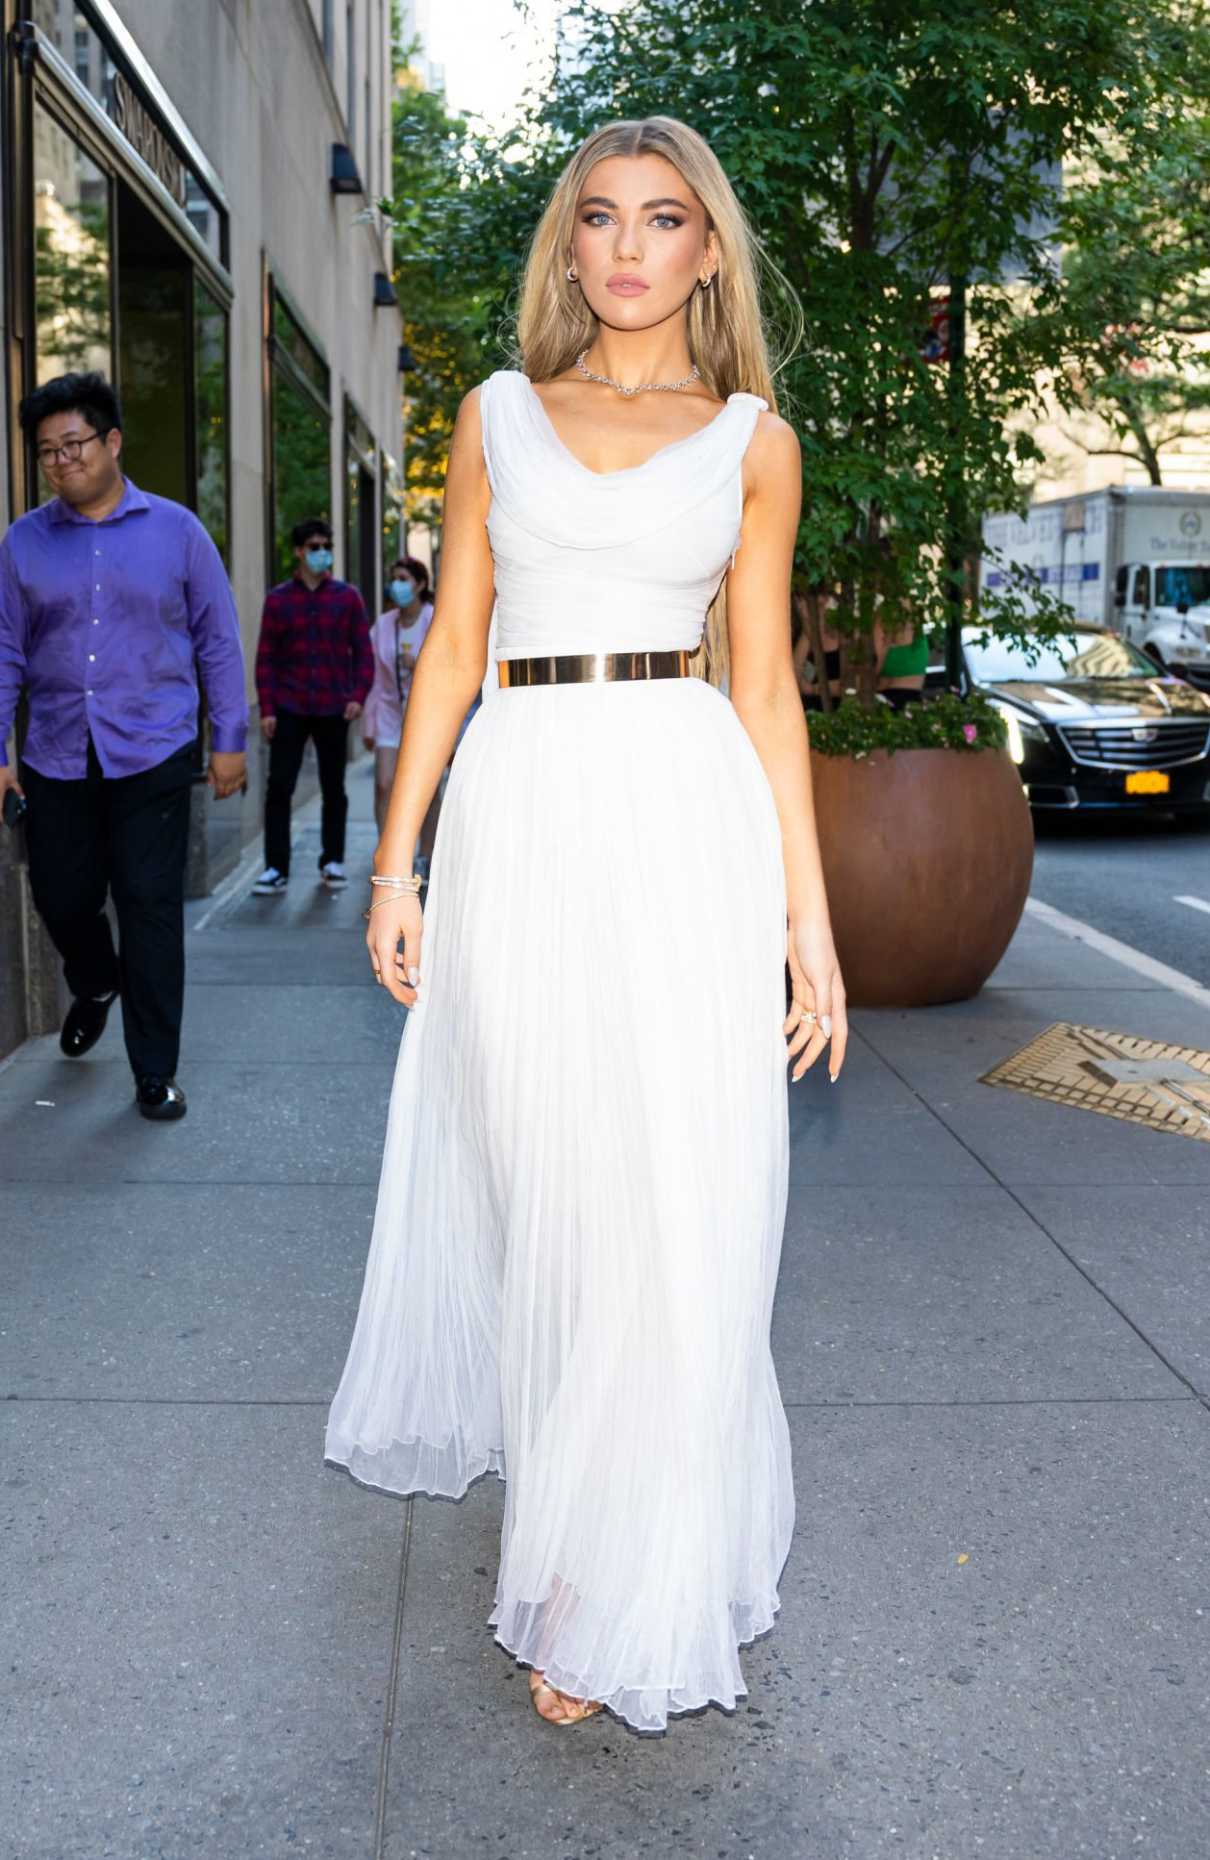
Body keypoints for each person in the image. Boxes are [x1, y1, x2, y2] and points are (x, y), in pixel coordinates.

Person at [324, 116, 848, 1733]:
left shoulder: (753, 441)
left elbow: (765, 690)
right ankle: (571, 1528)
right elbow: (452, 650)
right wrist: (397, 861)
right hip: (528, 810)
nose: (629, 246)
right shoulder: (493, 417)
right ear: (572, 246)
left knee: (676, 1207)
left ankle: (610, 1579)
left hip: (686, 817)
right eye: (603, 218)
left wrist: (810, 931)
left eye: (666, 219)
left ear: (708, 250)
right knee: (551, 1190)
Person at [0, 372, 246, 1120]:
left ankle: (154, 1072)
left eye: (74, 444)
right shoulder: (22, 543)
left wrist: (228, 737)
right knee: (62, 895)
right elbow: (7, 649)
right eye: (47, 452)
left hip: (154, 750)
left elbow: (218, 639)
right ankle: (96, 978)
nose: (62, 461)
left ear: (111, 442)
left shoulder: (176, 532)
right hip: (56, 754)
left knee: (148, 905)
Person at [252, 518, 372, 894]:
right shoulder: (278, 600)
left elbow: (363, 653)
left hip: (333, 707)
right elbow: (265, 658)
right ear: (299, 551)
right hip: (289, 705)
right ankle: (275, 867)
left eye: (326, 546)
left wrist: (357, 695)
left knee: (333, 787)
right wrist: (268, 708)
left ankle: (333, 860)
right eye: (315, 546)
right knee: (279, 788)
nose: (323, 553)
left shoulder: (347, 597)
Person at [362, 556, 436, 839]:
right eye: (394, 579)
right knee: (384, 784)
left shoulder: (434, 619)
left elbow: (448, 669)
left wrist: (419, 664)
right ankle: (388, 853)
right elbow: (374, 679)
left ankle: (427, 855)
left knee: (427, 789)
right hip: (389, 713)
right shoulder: (383, 625)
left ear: (420, 584)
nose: (397, 585)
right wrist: (369, 725)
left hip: (425, 715)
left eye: (403, 579)